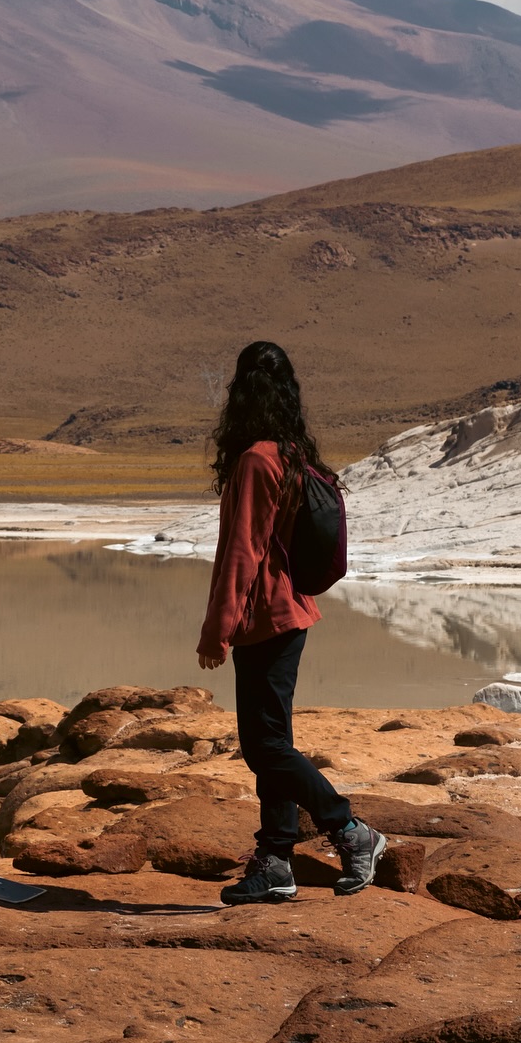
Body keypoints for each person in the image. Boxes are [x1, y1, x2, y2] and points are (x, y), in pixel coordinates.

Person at [196, 340, 386, 905]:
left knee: (266, 747)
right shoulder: (289, 452)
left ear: (241, 394)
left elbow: (242, 552)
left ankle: (353, 832)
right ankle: (276, 860)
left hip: (268, 618)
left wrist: (217, 628)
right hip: (280, 615)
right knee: (269, 742)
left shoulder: (257, 459)